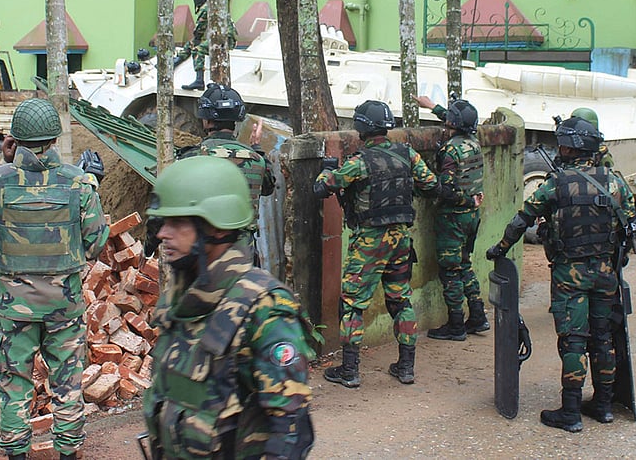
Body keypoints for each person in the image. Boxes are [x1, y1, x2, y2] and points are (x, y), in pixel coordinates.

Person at [143, 156, 315, 459]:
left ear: (217, 228)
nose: (162, 234)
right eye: (163, 222)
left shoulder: (265, 309)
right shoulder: (182, 296)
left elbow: (290, 433)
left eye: (178, 222)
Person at [0, 98, 109, 460]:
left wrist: (5, 158)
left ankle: (16, 453)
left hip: (14, 307)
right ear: (55, 137)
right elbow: (95, 243)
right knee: (68, 384)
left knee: (14, 387)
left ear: (16, 138)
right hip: (65, 305)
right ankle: (67, 453)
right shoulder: (78, 182)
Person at [486, 116, 636, 433]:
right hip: (605, 273)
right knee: (603, 338)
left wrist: (499, 249)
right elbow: (630, 223)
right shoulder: (614, 181)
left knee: (573, 341)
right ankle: (605, 405)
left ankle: (570, 411)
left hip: (570, 274)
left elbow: (522, 219)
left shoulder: (557, 184)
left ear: (571, 147)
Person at [313, 100, 438, 387]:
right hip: (401, 240)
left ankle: (350, 371)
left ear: (361, 129)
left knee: (353, 304)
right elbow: (431, 184)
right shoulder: (408, 153)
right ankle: (406, 367)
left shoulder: (360, 162)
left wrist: (327, 168)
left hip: (370, 242)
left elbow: (322, 188)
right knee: (400, 299)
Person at [415, 95, 489, 341]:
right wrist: (431, 106)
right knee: (465, 264)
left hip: (453, 218)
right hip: (471, 217)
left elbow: (446, 190)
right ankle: (478, 316)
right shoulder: (474, 143)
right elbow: (459, 119)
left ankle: (456, 324)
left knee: (450, 271)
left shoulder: (450, 150)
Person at [177, 83, 276, 264]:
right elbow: (268, 187)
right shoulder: (257, 159)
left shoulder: (193, 156)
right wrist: (257, 148)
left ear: (206, 120)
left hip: (206, 255)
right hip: (244, 255)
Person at [180, 0, 237, 91]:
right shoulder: (215, 6)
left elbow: (198, 31)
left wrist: (192, 44)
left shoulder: (206, 8)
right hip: (227, 38)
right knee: (194, 44)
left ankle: (199, 80)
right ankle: (178, 60)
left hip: (223, 39)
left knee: (198, 49)